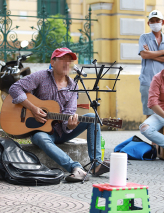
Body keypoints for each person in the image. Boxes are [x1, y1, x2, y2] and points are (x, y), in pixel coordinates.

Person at [8, 47, 110, 182]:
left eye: (69, 60)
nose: (66, 63)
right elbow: (14, 88)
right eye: (62, 59)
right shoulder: (41, 76)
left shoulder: (73, 86)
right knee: (39, 137)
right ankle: (75, 168)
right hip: (41, 130)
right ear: (53, 61)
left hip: (61, 131)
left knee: (92, 118)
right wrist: (32, 108)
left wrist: (71, 126)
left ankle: (96, 165)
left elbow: (69, 114)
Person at [139, 10, 164, 118]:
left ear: (162, 22)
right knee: (149, 113)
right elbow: (144, 55)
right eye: (152, 21)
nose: (155, 23)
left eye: (157, 20)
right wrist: (163, 52)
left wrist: (151, 54)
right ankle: (149, 135)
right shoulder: (144, 37)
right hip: (147, 80)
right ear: (148, 23)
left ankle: (161, 135)